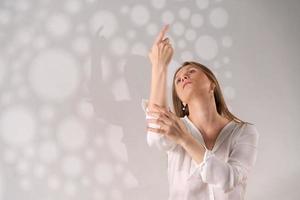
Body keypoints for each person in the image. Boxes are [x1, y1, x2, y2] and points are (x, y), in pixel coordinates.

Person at [141, 24, 260, 200]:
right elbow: (156, 137)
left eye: (191, 71)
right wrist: (159, 66)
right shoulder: (177, 127)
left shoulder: (244, 132)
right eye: (178, 80)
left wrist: (185, 139)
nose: (183, 77)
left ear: (212, 84)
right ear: (181, 99)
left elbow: (229, 179)